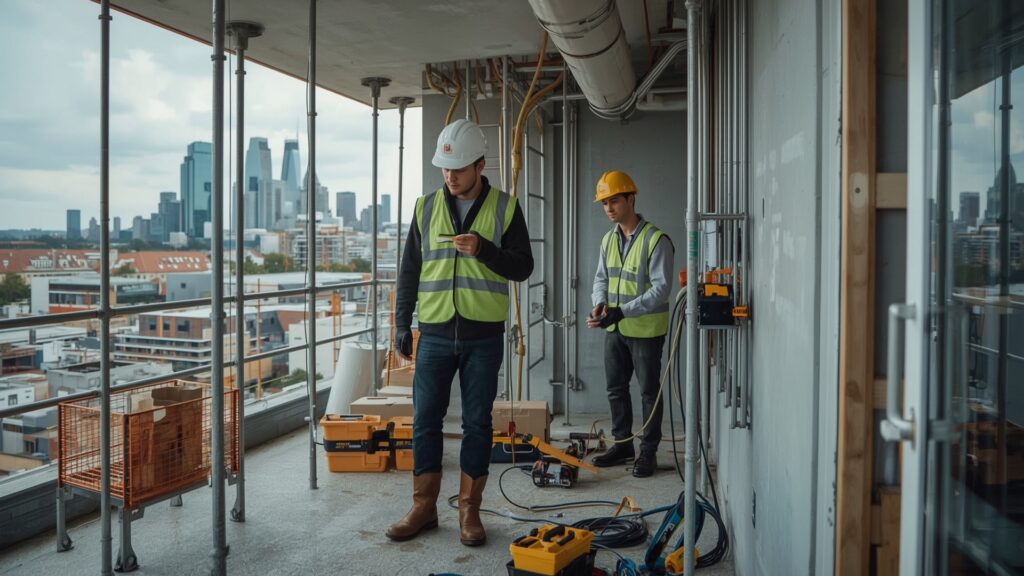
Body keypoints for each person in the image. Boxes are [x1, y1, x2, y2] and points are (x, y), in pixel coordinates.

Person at [386, 119, 534, 546]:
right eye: (444, 168)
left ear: (480, 166)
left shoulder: (505, 208)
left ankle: (469, 511)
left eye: (458, 169)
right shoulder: (425, 206)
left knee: (476, 424)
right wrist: (401, 322)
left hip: (482, 337)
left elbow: (523, 267)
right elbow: (409, 270)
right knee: (425, 422)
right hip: (432, 334)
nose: (449, 176)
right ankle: (423, 507)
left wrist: (485, 250)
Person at [586, 170, 674, 478]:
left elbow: (661, 289)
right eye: (604, 203)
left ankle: (647, 451)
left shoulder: (656, 240)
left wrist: (621, 311)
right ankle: (623, 443)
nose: (608, 208)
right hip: (615, 329)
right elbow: (601, 278)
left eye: (614, 201)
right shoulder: (609, 239)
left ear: (631, 199)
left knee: (649, 391)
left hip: (646, 331)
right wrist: (600, 303)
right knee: (615, 389)